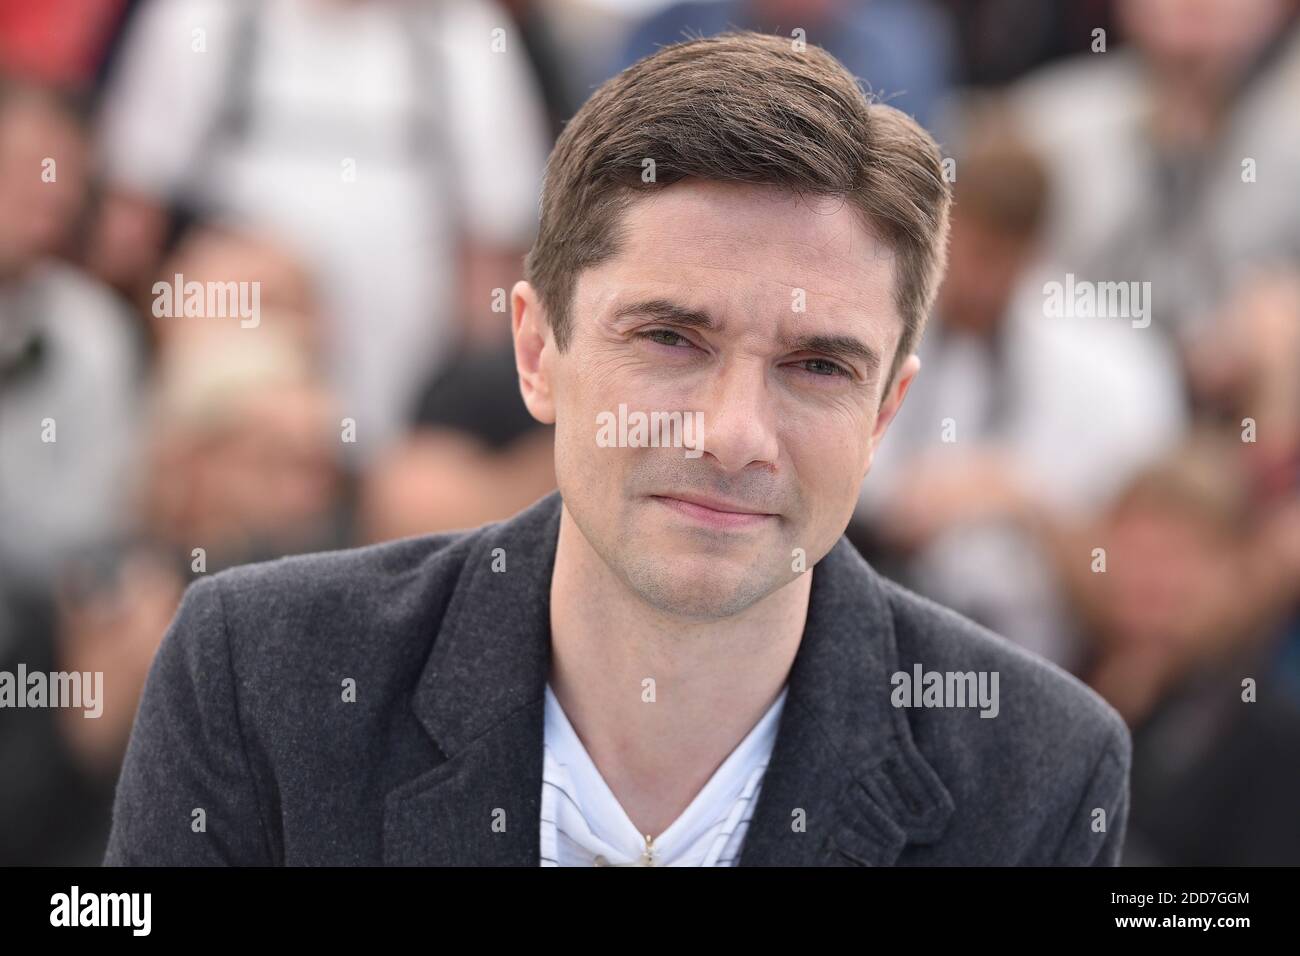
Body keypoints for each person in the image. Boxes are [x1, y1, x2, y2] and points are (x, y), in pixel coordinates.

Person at [104, 31, 1130, 867]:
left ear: (885, 413)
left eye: (818, 365)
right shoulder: (260, 674)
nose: (732, 434)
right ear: (535, 350)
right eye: (671, 339)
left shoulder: (1035, 769)